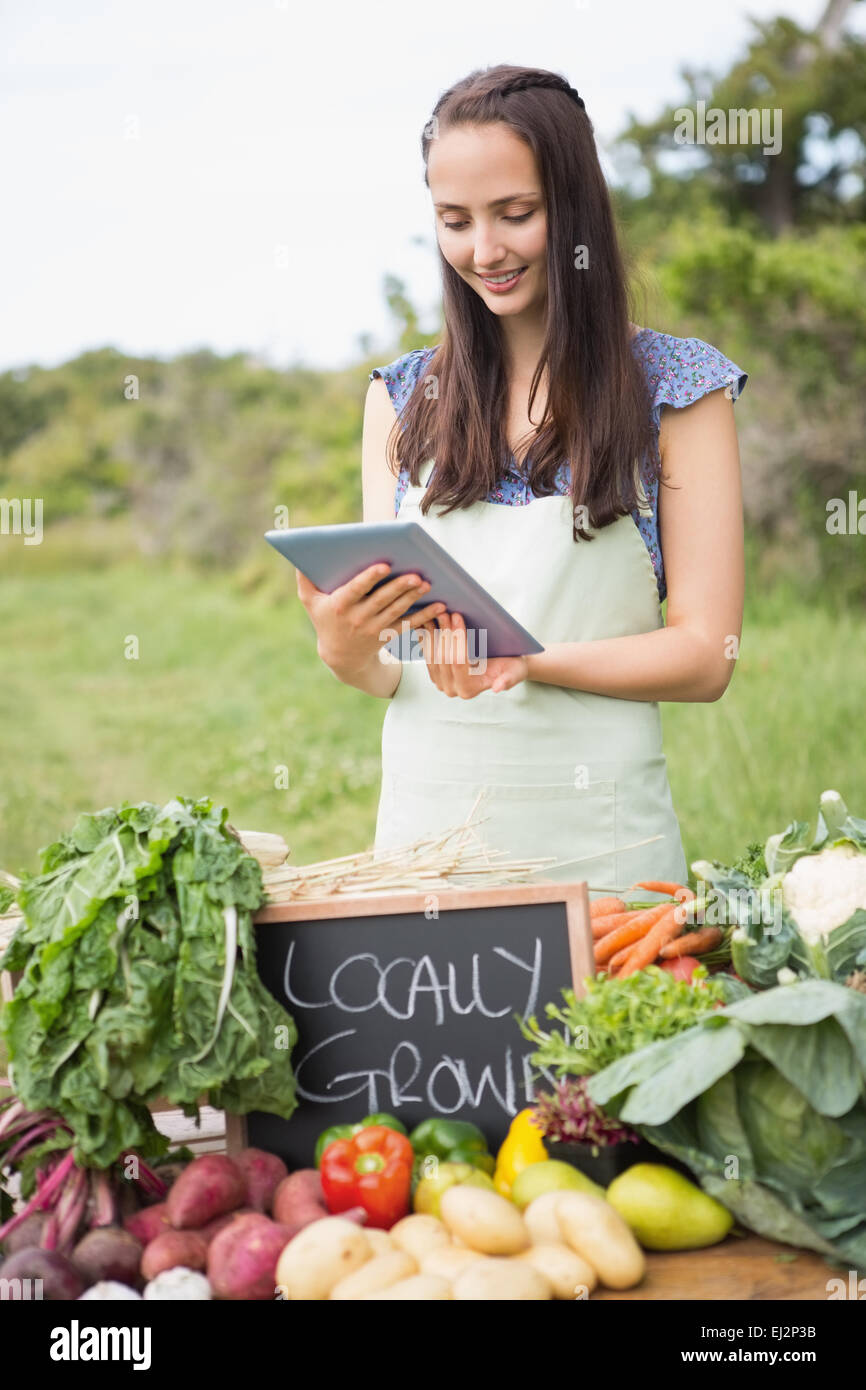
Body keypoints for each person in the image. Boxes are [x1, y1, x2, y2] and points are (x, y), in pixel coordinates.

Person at [297, 64, 748, 896]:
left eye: (516, 214)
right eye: (454, 221)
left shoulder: (678, 390)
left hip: (606, 866)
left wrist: (530, 662)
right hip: (428, 856)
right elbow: (403, 666)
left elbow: (704, 656)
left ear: (573, 207)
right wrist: (345, 647)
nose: (484, 251)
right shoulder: (398, 400)